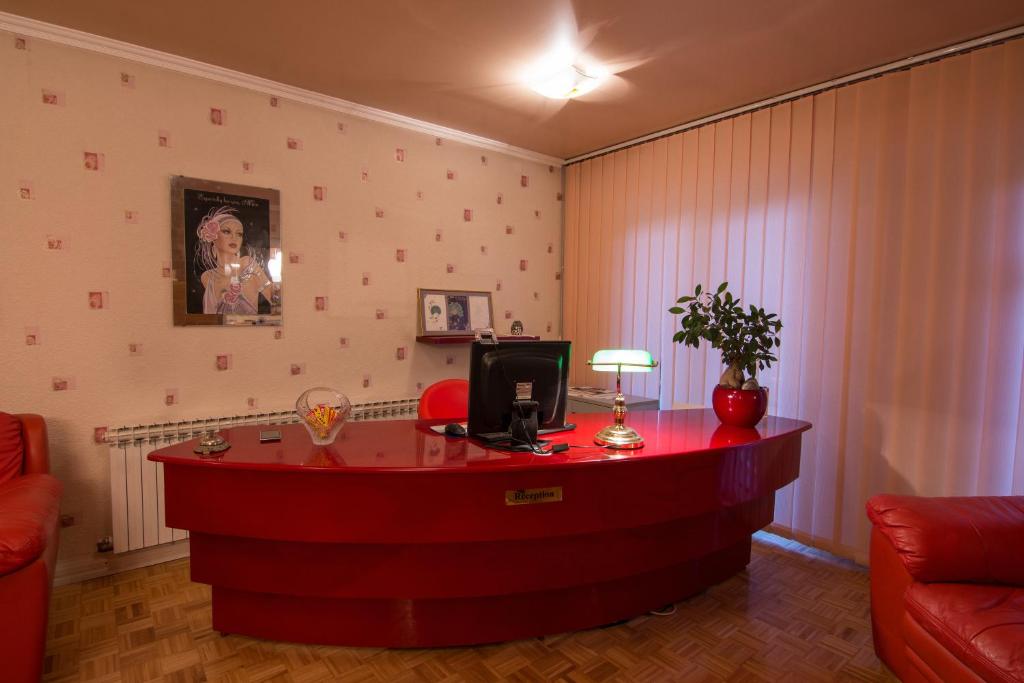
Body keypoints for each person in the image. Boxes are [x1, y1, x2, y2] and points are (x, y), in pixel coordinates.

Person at [194, 206, 274, 314]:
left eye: (239, 234)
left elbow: (276, 300)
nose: (234, 237)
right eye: (227, 231)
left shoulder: (247, 264)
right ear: (213, 237)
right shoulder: (207, 277)